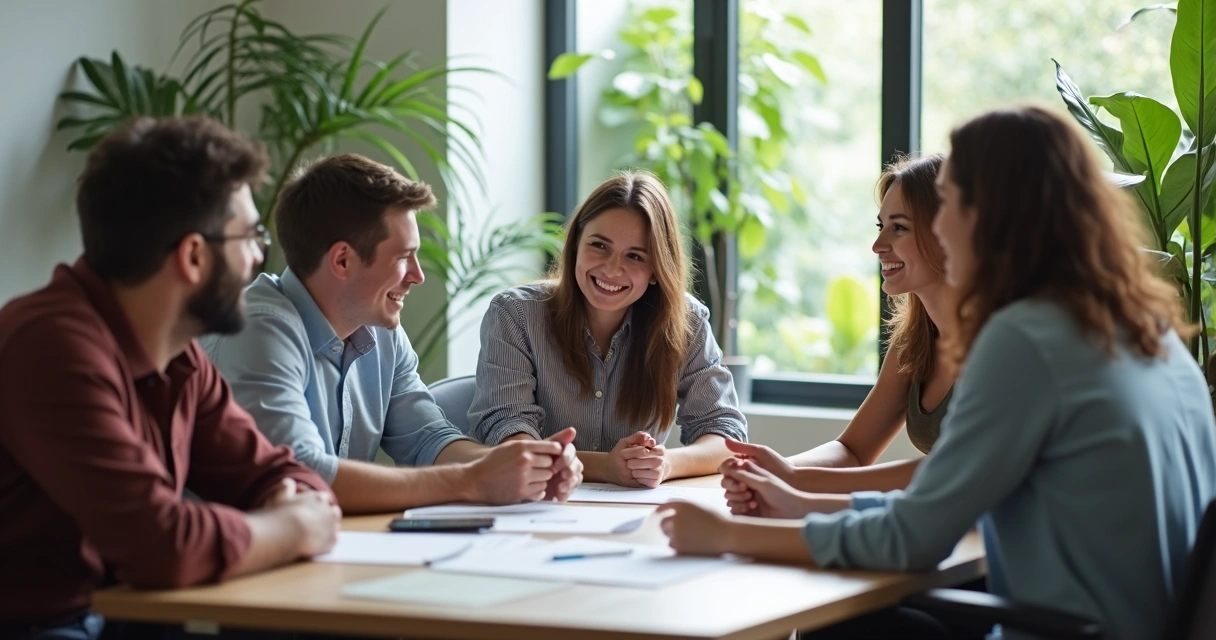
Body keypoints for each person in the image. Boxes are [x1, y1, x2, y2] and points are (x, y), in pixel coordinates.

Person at [658, 106, 1216, 640]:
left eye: (950, 205)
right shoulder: (1145, 329)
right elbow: (939, 501)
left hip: (1074, 632)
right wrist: (799, 504)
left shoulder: (1026, 340)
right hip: (1127, 624)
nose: (940, 227)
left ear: (993, 217)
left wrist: (727, 535)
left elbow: (913, 537)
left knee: (845, 625)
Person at [0, 116, 341, 640]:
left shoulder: (180, 356)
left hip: (124, 613)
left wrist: (291, 503)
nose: (259, 255)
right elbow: (162, 545)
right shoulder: (50, 348)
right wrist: (289, 525)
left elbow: (273, 472)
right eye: (250, 235)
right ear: (193, 256)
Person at [203, 154, 582, 514]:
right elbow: (300, 475)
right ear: (342, 260)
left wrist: (527, 466)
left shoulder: (379, 329)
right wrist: (472, 481)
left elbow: (428, 439)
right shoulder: (257, 330)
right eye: (403, 257)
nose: (418, 275)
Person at [468, 170, 747, 487]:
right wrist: (606, 467)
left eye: (635, 256)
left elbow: (726, 434)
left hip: (634, 511)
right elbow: (508, 438)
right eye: (599, 245)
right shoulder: (515, 314)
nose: (612, 270)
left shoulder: (686, 321)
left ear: (657, 270)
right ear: (576, 243)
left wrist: (666, 463)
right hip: (534, 501)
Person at [722, 154, 954, 514]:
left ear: (950, 232)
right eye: (880, 226)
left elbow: (953, 469)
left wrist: (795, 481)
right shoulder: (914, 342)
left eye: (899, 228)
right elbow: (853, 450)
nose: (878, 245)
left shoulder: (999, 342)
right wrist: (773, 471)